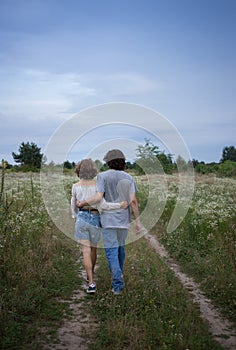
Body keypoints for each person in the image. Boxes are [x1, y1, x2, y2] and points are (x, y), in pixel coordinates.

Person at [78, 149, 141, 295]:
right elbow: (133, 201)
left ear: (108, 161)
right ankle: (119, 276)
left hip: (107, 220)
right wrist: (137, 222)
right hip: (123, 220)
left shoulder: (103, 177)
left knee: (112, 251)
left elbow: (99, 197)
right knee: (120, 249)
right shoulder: (129, 177)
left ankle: (117, 284)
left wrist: (83, 203)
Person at [71, 159, 128, 294]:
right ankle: (92, 274)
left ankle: (91, 283)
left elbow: (73, 205)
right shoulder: (97, 186)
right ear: (93, 171)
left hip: (81, 217)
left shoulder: (75, 186)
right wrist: (119, 205)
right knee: (93, 250)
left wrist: (76, 217)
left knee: (85, 251)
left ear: (79, 171)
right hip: (95, 218)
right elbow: (103, 205)